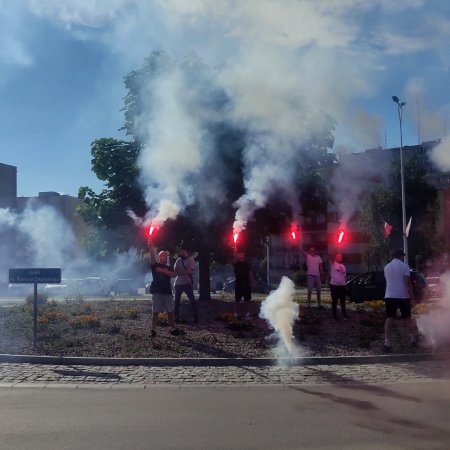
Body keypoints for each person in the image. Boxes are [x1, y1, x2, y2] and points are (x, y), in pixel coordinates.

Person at [383, 249, 417, 353]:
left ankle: (387, 342)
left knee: (389, 319)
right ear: (401, 256)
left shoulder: (386, 267)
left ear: (393, 256)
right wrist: (412, 298)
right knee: (407, 318)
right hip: (403, 296)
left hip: (390, 295)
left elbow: (388, 281)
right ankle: (412, 339)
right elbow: (408, 283)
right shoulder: (404, 266)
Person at [148, 240, 183, 337]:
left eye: (165, 255)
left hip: (167, 291)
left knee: (170, 312)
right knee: (155, 312)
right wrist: (150, 248)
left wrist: (163, 270)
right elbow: (152, 256)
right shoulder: (155, 265)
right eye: (162, 255)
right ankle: (153, 330)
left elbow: (174, 274)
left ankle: (173, 329)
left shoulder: (169, 266)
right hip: (157, 291)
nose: (164, 256)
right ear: (159, 257)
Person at [174, 248, 199, 323]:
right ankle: (176, 318)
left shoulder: (191, 260)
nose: (182, 253)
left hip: (187, 283)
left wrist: (180, 272)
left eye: (183, 251)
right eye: (181, 251)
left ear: (187, 252)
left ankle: (196, 317)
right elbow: (175, 271)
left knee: (192, 300)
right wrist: (183, 272)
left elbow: (189, 271)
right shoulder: (178, 260)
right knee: (176, 301)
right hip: (178, 283)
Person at [233, 248, 256, 320]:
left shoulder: (247, 264)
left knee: (247, 299)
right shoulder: (236, 263)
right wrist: (235, 251)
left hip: (246, 283)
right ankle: (236, 313)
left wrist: (253, 282)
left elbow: (250, 273)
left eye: (242, 253)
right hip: (239, 283)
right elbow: (234, 259)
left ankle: (247, 313)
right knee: (237, 300)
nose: (241, 254)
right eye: (240, 253)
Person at [329, 253, 348, 319]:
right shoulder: (333, 264)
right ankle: (334, 315)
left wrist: (346, 284)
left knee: (342, 300)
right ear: (335, 258)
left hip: (342, 285)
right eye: (337, 257)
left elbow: (345, 276)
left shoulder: (343, 266)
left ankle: (344, 313)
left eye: (340, 256)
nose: (339, 258)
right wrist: (336, 248)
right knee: (335, 300)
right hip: (334, 285)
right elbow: (331, 256)